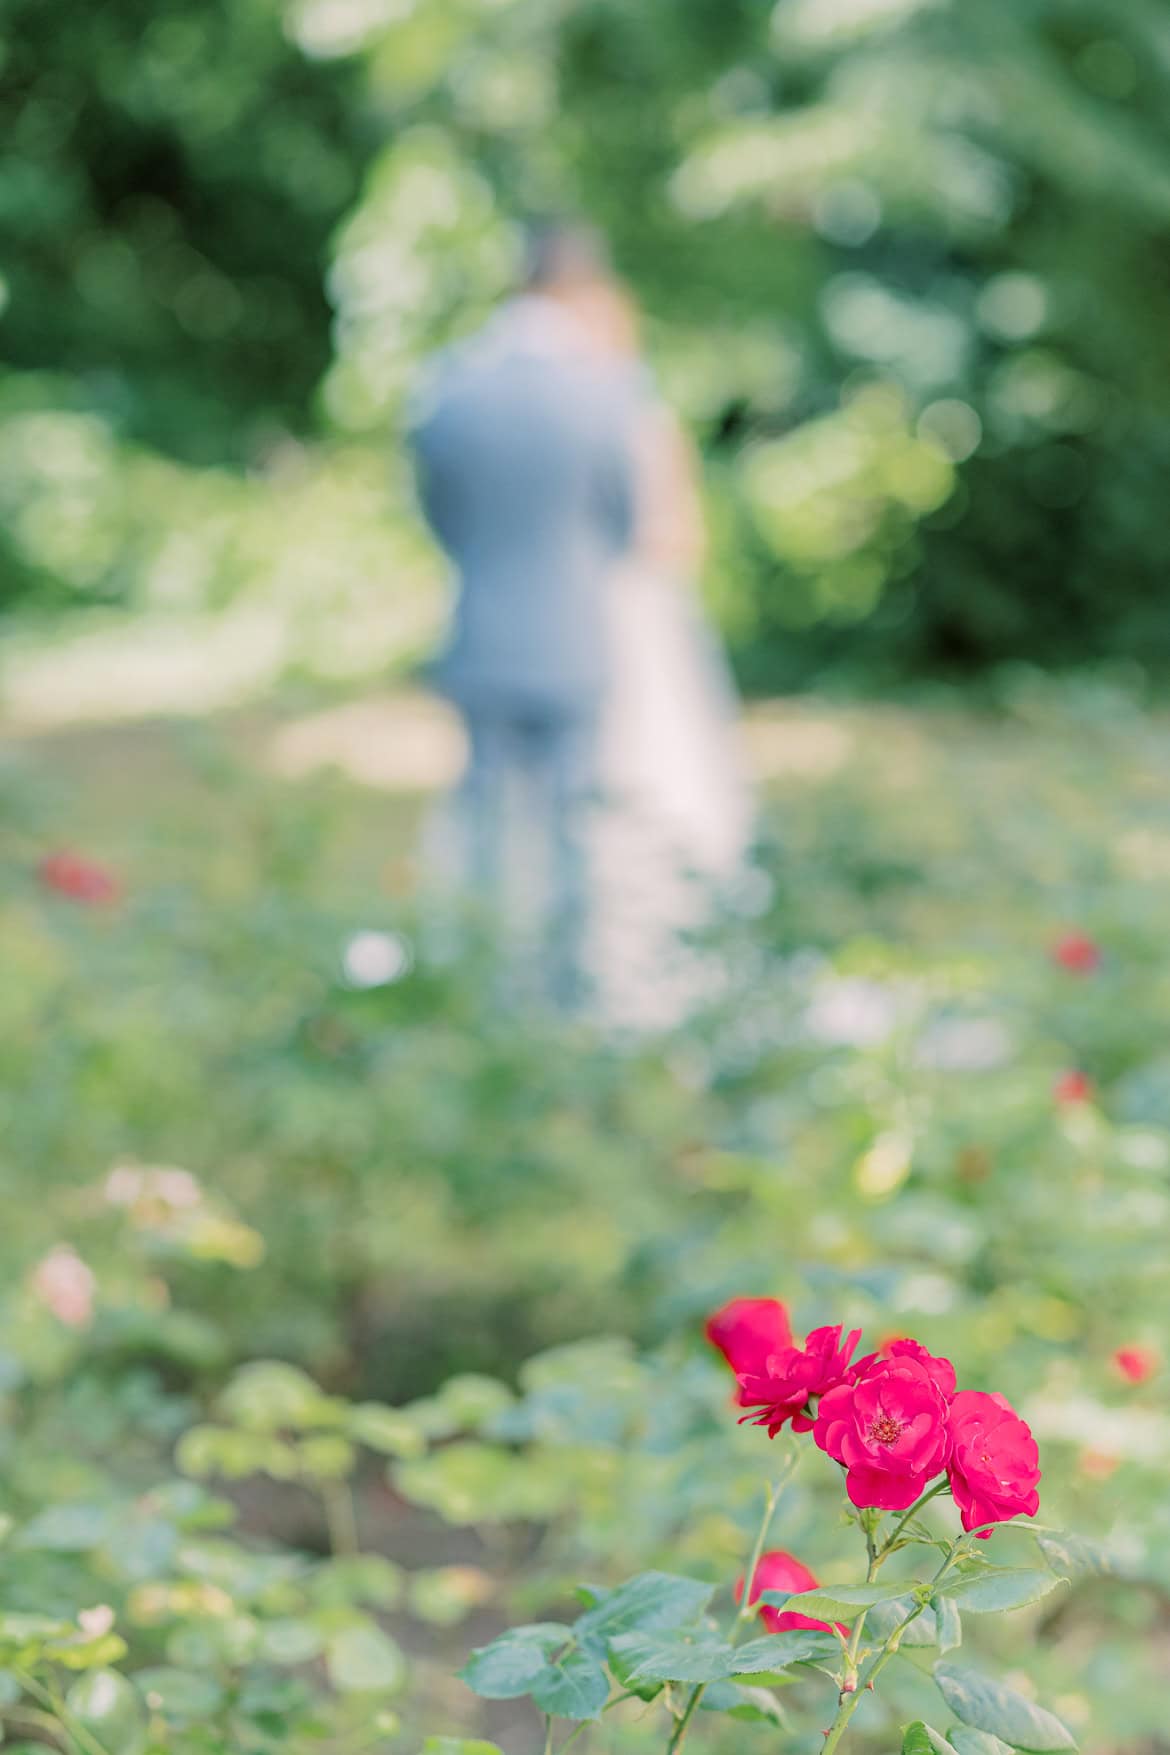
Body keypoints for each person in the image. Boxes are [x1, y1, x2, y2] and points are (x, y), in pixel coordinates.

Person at [409, 224, 638, 1007]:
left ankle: (482, 984)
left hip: (481, 630)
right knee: (572, 827)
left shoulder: (448, 384)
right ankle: (566, 993)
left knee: (483, 820)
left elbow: (439, 511)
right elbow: (623, 520)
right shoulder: (602, 390)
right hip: (575, 637)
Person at [580, 284, 754, 1029]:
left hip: (639, 616)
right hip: (584, 618)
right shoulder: (573, 423)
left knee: (656, 759)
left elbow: (679, 538)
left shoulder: (650, 422)